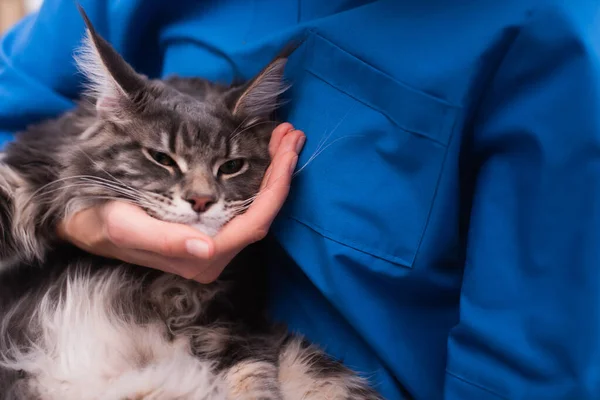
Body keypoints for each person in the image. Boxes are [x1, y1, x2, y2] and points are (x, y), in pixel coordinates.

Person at [1, 0, 600, 398]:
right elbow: (12, 105)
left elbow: (528, 370)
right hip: (58, 334)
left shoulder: (546, 38)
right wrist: (81, 218)